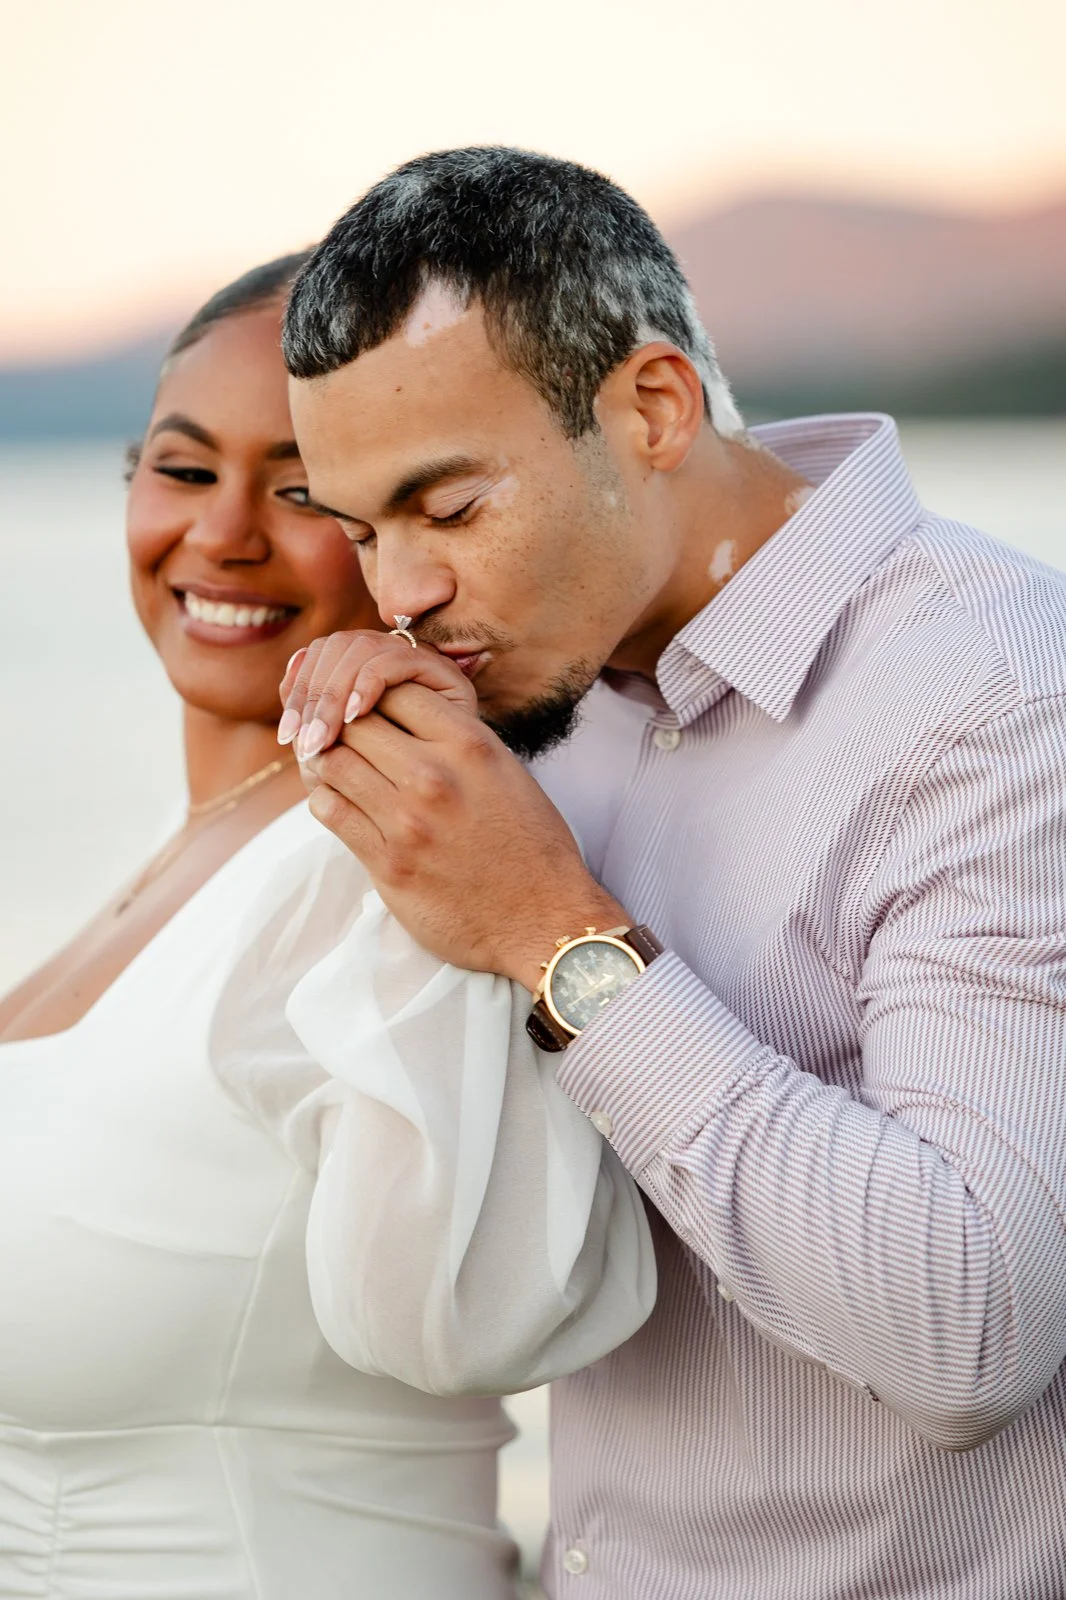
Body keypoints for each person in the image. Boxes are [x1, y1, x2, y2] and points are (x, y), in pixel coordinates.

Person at [277, 147, 1066, 1599]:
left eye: (447, 511)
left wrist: (555, 935)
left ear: (651, 406)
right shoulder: (535, 701)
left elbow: (974, 1332)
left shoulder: (1000, 695)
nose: (398, 593)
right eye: (358, 531)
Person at [0, 252, 655, 1599]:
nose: (225, 532)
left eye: (300, 491)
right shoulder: (197, 852)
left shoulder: (385, 865)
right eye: (181, 469)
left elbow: (467, 1326)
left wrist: (423, 731)